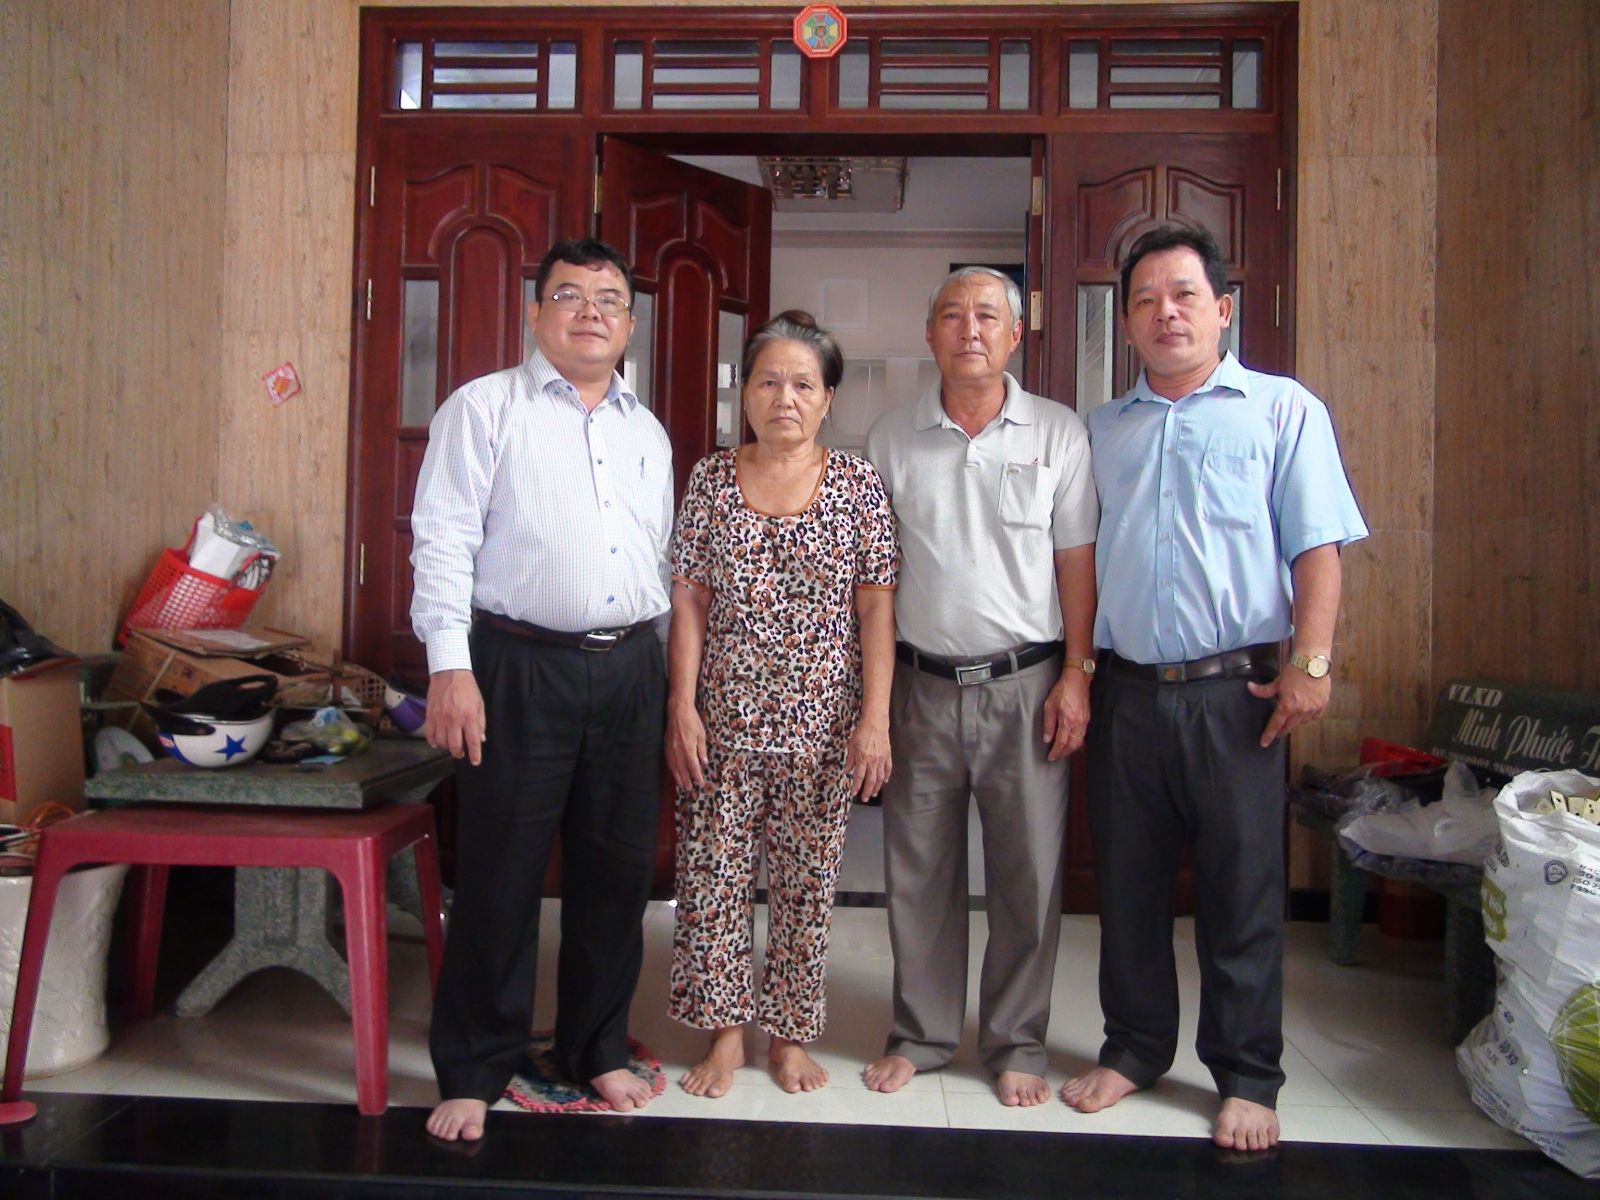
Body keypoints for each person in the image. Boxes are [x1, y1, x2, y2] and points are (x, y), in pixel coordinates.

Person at [1060, 224, 1368, 1151]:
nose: (1167, 313)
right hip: (1126, 692)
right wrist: (1081, 674)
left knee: (1241, 893)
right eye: (1146, 300)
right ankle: (1135, 1048)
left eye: (1185, 295)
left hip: (1238, 696)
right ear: (1126, 321)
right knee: (1128, 888)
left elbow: (1318, 546)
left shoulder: (1281, 410)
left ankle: (1246, 1074)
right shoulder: (1100, 431)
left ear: (1222, 309)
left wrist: (1312, 663)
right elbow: (1079, 561)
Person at [410, 237, 672, 1141]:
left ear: (629, 324)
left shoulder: (647, 430)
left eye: (609, 299)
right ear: (535, 314)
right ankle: (475, 1067)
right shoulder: (484, 408)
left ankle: (595, 1047)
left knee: (616, 874)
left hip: (631, 667)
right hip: (516, 667)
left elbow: (656, 558)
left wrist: (666, 682)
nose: (590, 312)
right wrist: (451, 666)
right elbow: (442, 540)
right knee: (500, 875)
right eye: (569, 295)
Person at [862, 267, 1099, 1107]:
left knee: (1028, 876)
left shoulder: (1059, 432)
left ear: (1015, 334)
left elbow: (1076, 562)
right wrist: (873, 704)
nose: (970, 330)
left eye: (987, 316)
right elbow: (875, 582)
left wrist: (1077, 674)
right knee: (917, 871)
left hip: (1026, 685)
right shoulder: (891, 438)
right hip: (921, 685)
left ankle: (1016, 1040)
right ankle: (920, 1035)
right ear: (929, 332)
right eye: (953, 315)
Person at [666, 310, 899, 1097]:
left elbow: (876, 608)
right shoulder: (710, 479)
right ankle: (725, 1036)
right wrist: (681, 707)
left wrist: (874, 720)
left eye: (803, 384)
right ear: (745, 393)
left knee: (806, 886)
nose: (784, 398)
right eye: (768, 381)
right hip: (722, 723)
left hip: (820, 727)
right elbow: (690, 599)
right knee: (713, 882)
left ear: (828, 398)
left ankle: (790, 1037)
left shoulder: (858, 485)